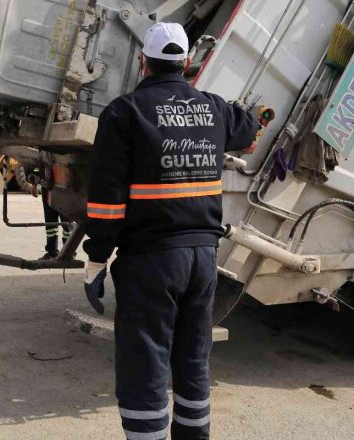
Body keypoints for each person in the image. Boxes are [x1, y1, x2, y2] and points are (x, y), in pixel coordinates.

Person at [82, 23, 258, 439]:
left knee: (145, 360)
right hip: (202, 258)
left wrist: (95, 259)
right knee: (194, 359)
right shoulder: (213, 108)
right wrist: (252, 117)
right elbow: (249, 127)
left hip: (152, 259)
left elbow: (106, 202)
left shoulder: (125, 113)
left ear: (143, 62)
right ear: (188, 63)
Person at [27, 163, 71, 260]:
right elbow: (37, 165)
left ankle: (69, 252)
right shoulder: (43, 150)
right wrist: (34, 183)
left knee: (67, 223)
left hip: (65, 189)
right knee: (50, 222)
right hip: (47, 188)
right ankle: (52, 251)